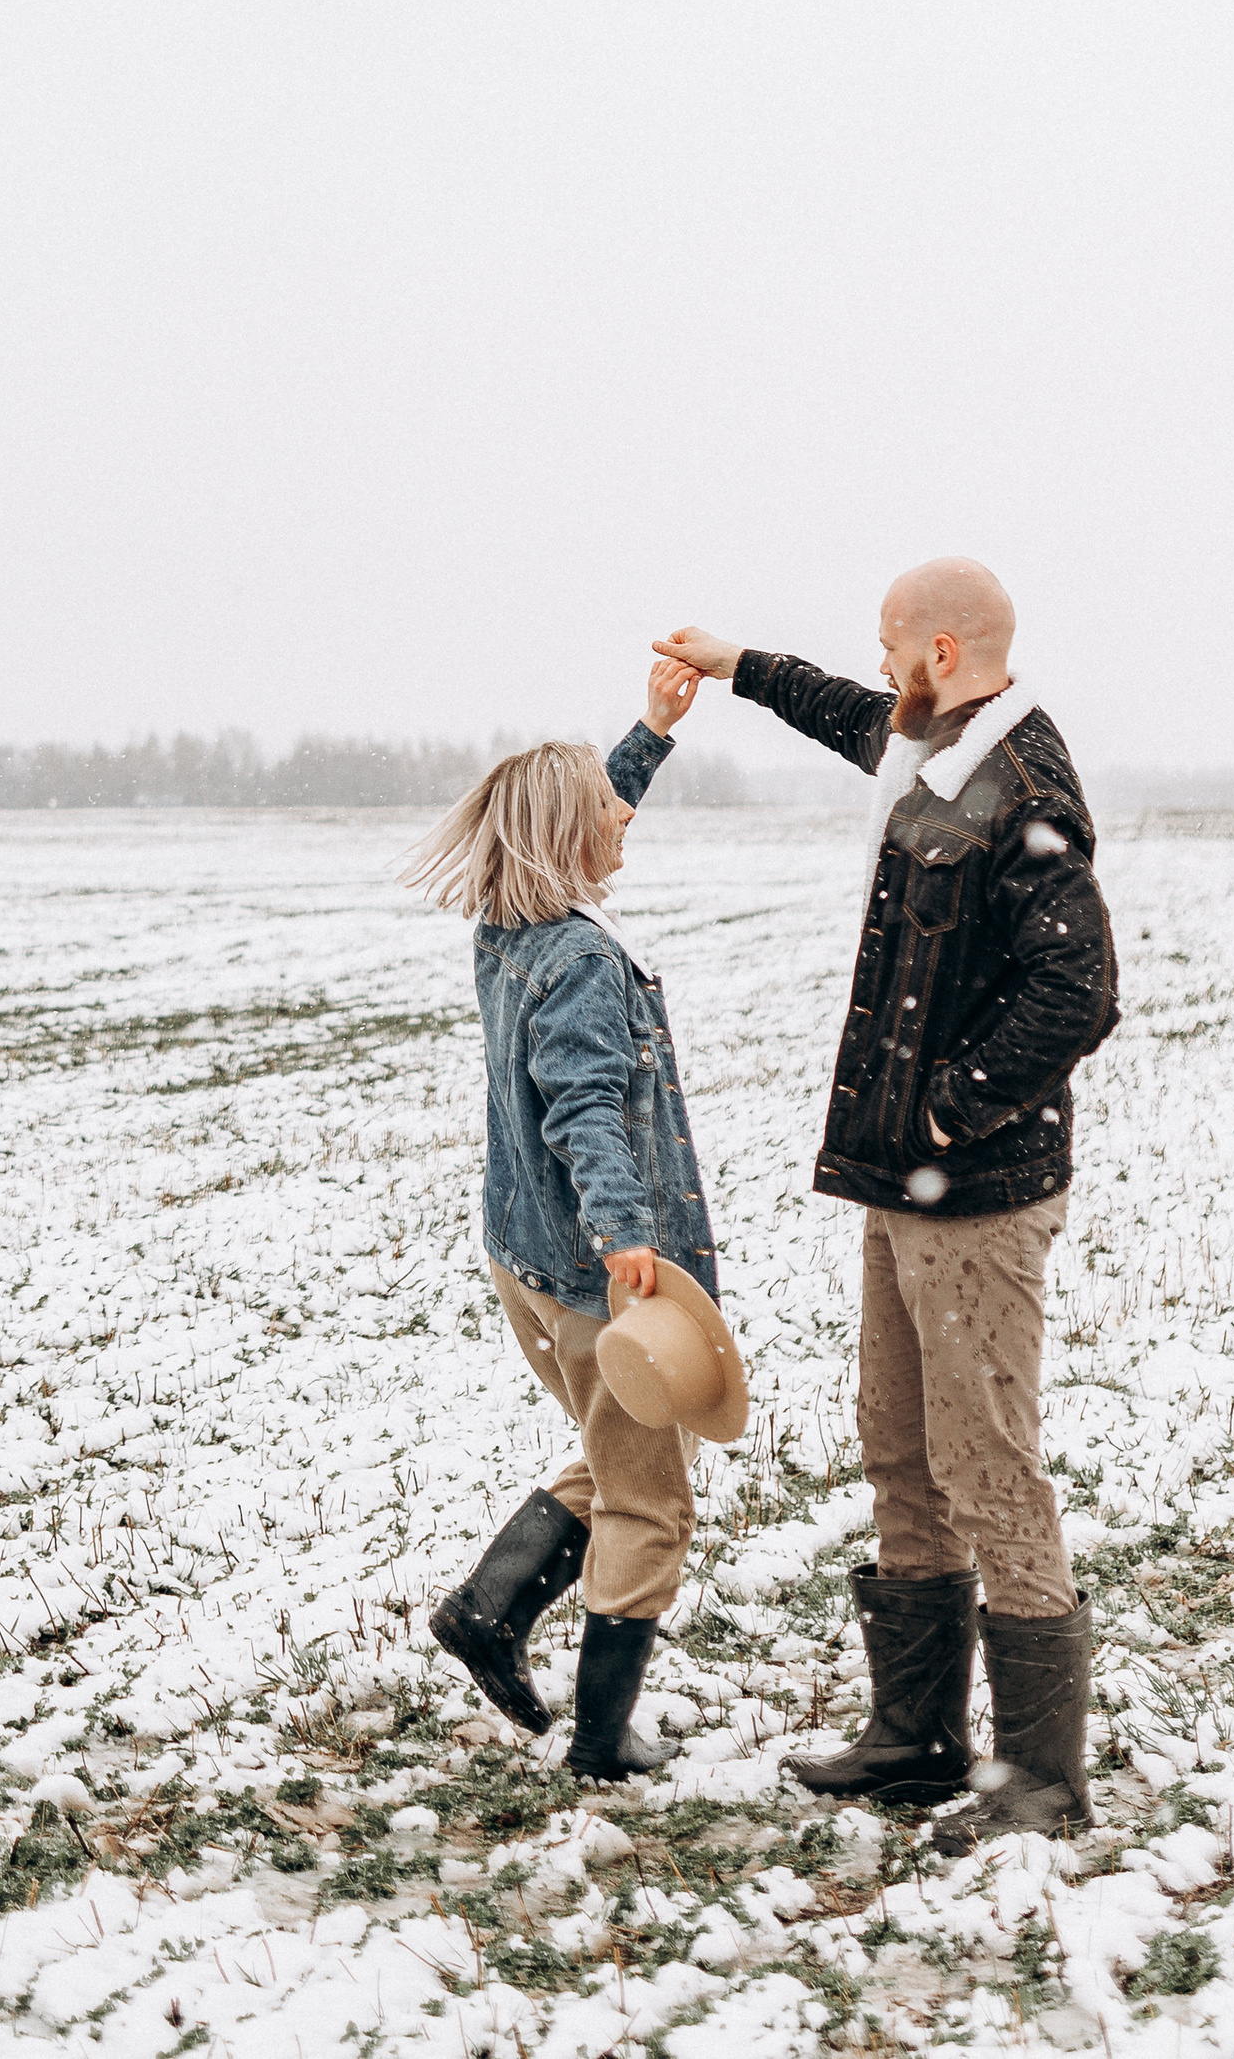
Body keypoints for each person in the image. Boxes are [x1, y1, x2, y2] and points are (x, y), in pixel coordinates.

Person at [664, 562, 1118, 1845]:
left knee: (987, 1465)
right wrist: (732, 662)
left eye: (884, 649)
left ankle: (1039, 1780)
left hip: (973, 1197)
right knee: (901, 1448)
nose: (875, 673)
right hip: (898, 1187)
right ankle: (915, 1739)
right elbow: (836, 712)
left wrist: (947, 1106)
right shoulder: (927, 745)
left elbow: (1076, 992)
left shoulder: (1020, 788)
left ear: (937, 646)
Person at [404, 650, 721, 1783]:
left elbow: (585, 814)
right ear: (569, 836)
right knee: (650, 1501)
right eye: (607, 810)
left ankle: (490, 1610)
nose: (622, 822)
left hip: (524, 1256)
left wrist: (649, 730)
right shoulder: (581, 957)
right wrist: (627, 1239)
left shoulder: (512, 922)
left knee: (621, 1439)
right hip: (593, 1268)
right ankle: (599, 1738)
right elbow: (585, 1107)